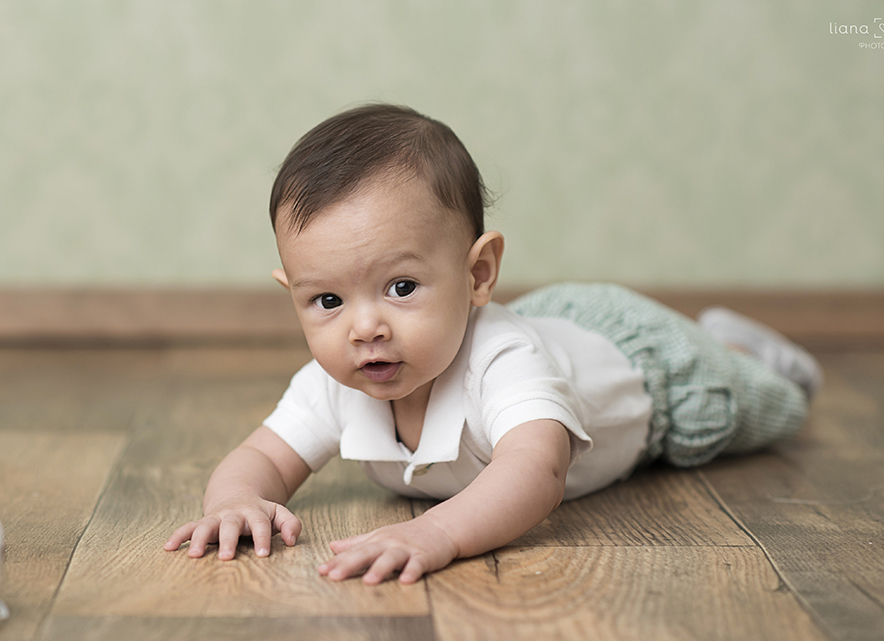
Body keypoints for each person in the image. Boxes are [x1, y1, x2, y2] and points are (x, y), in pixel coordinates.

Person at [164, 104, 822, 585]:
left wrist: (437, 530)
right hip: (548, 330)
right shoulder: (336, 378)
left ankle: (733, 347)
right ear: (294, 294)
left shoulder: (503, 359)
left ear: (478, 274)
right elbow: (260, 458)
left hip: (643, 366)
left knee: (775, 407)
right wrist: (234, 502)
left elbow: (536, 470)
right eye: (327, 301)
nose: (364, 327)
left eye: (400, 286)